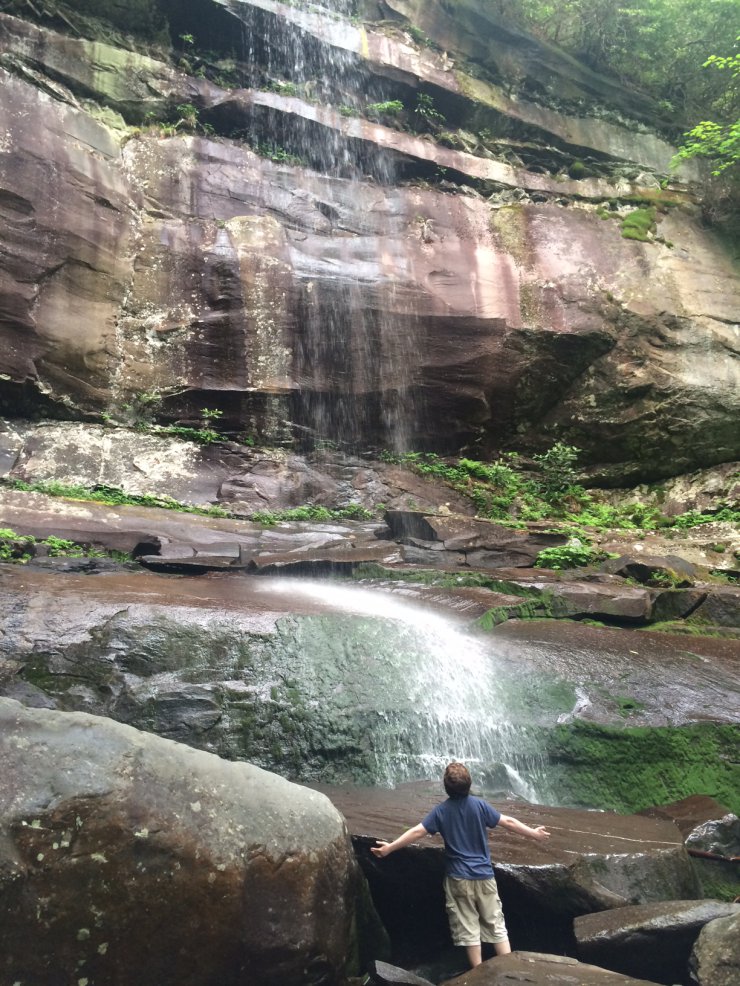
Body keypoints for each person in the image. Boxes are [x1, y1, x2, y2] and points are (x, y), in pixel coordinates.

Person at [370, 762, 550, 968]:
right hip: (484, 876)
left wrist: (390, 848)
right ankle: (509, 971)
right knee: (496, 925)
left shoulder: (441, 811)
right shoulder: (479, 805)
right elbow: (508, 822)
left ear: (445, 787)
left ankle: (478, 973)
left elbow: (417, 832)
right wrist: (534, 834)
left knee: (468, 927)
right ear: (469, 785)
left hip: (459, 879)